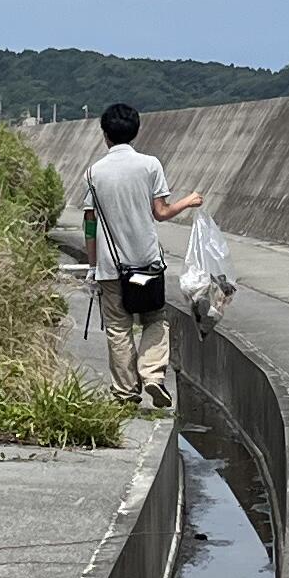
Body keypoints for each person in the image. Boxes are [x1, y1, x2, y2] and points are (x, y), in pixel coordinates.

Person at [80, 103, 202, 410]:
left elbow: (90, 223)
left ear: (105, 134)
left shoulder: (94, 172)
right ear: (136, 132)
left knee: (119, 328)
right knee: (155, 319)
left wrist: (92, 267)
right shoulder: (150, 165)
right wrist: (188, 201)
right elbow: (160, 213)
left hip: (111, 268)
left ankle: (125, 392)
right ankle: (152, 375)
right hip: (146, 263)